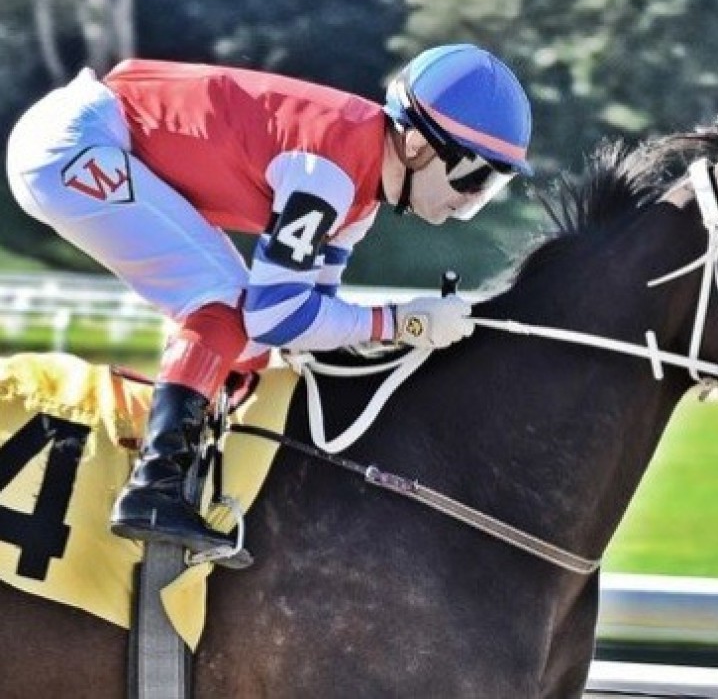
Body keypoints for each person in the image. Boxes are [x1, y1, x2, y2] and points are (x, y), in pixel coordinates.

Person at [4, 44, 533, 564]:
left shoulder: (360, 199)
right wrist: (402, 321)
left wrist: (395, 330)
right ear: (417, 143)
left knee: (248, 339)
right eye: (474, 174)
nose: (473, 197)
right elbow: (278, 314)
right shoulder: (329, 170)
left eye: (492, 184)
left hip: (92, 134)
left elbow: (304, 322)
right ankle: (154, 485)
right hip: (74, 143)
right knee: (226, 307)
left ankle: (195, 459)